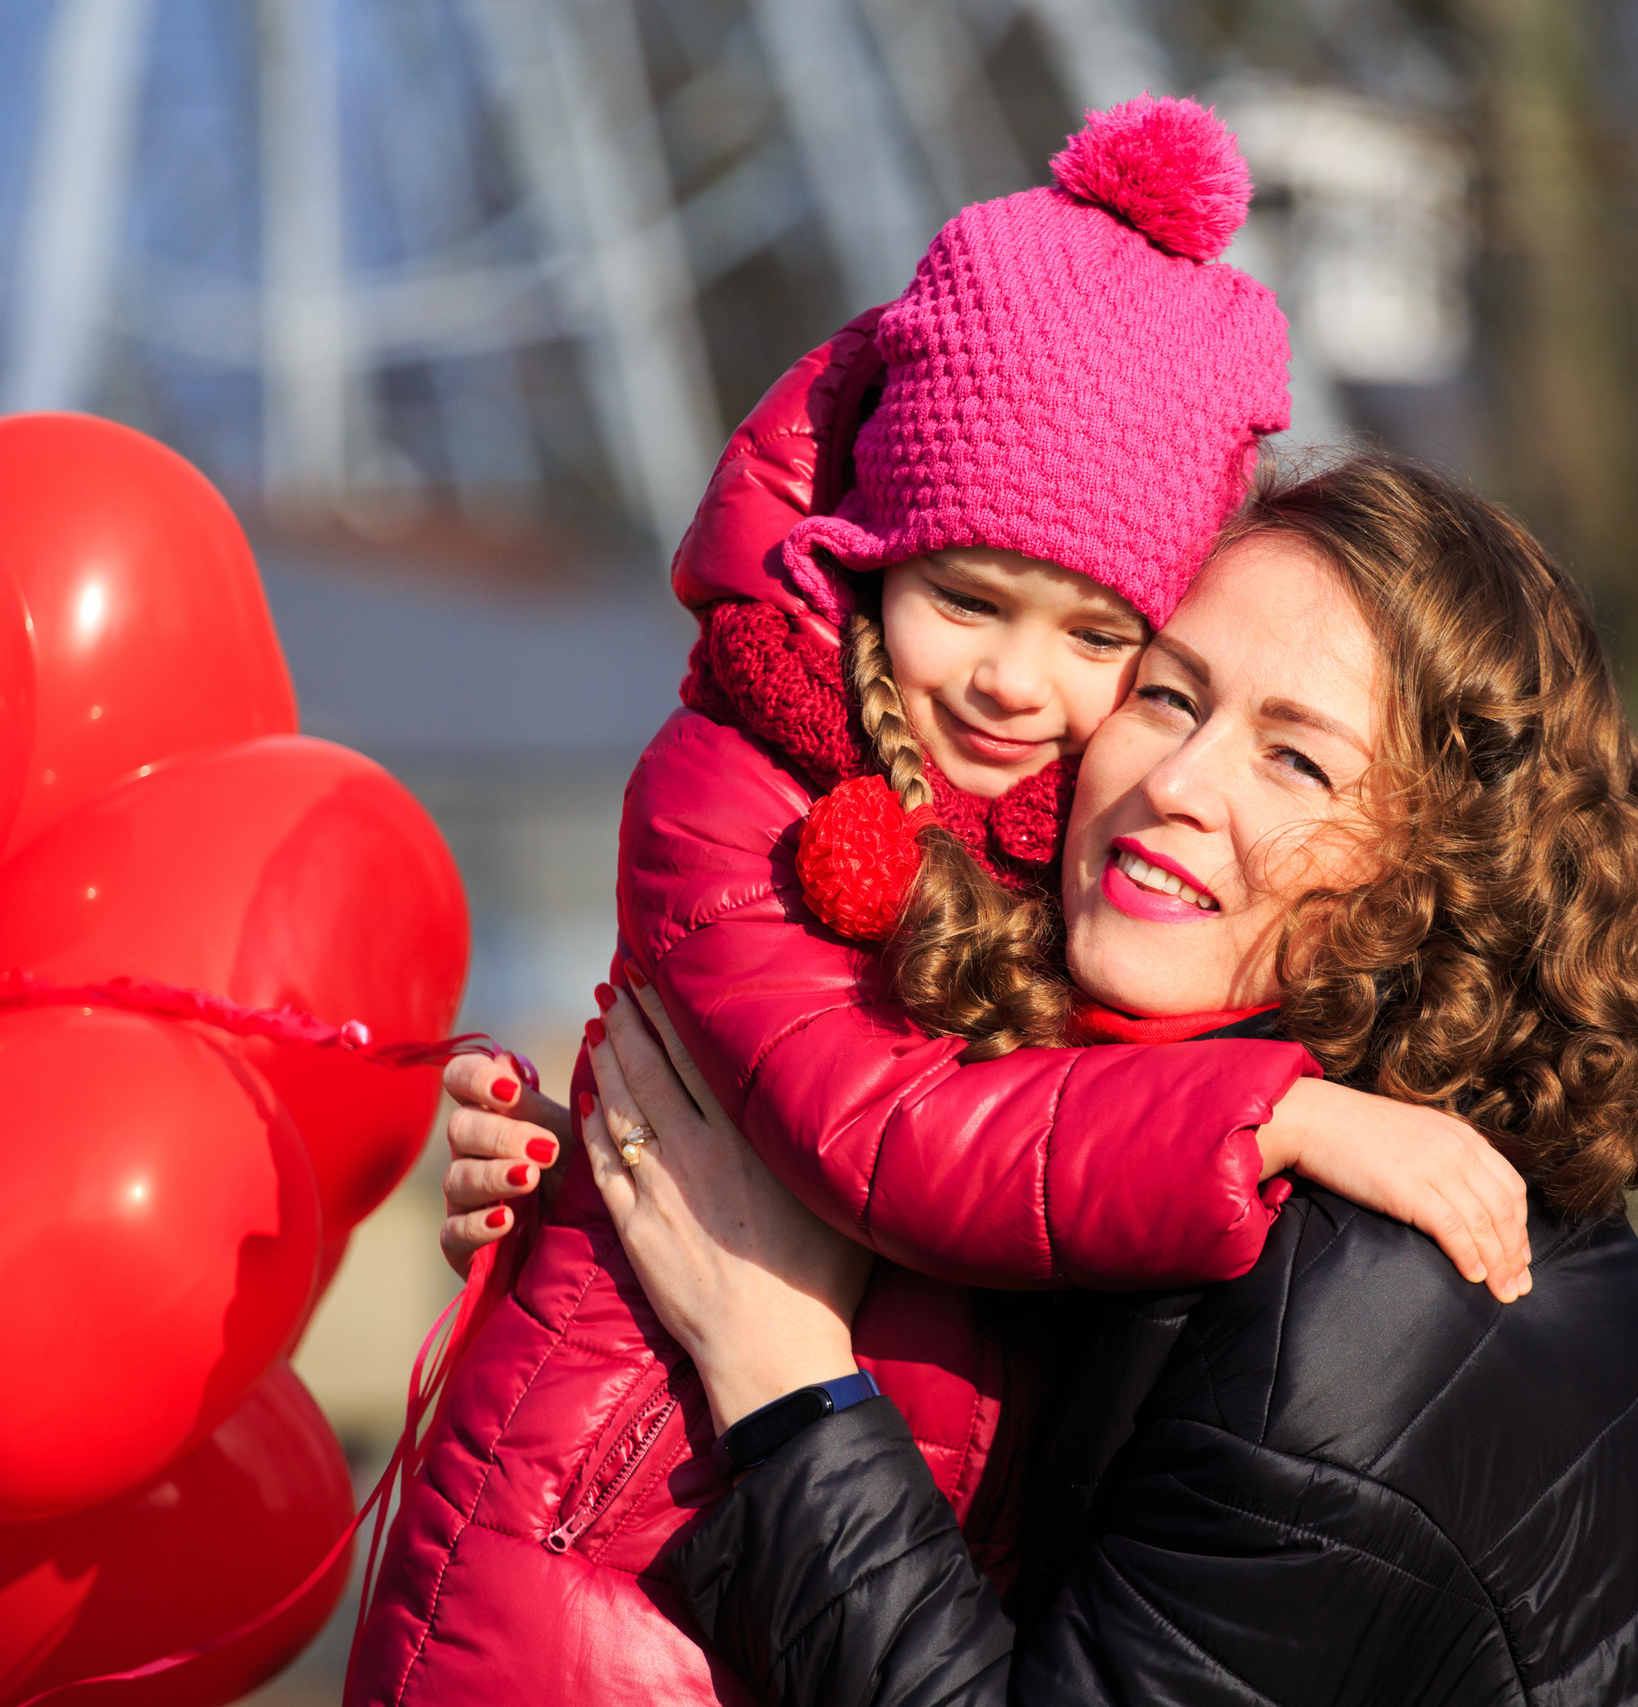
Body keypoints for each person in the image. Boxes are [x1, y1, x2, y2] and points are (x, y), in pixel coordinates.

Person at [346, 102, 1532, 1707]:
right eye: (968, 599)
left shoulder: (1061, 835)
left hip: (751, 1554)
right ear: (874, 552)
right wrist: (1281, 1121)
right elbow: (892, 1137)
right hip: (584, 1573)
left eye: (1098, 638)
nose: (1014, 681)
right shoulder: (732, 785)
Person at [578, 452, 1638, 1705]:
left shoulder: (1360, 1303)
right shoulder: (1139, 1121)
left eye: (1297, 757)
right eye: (1169, 694)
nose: (1177, 781)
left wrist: (783, 1376)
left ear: (1438, 873)